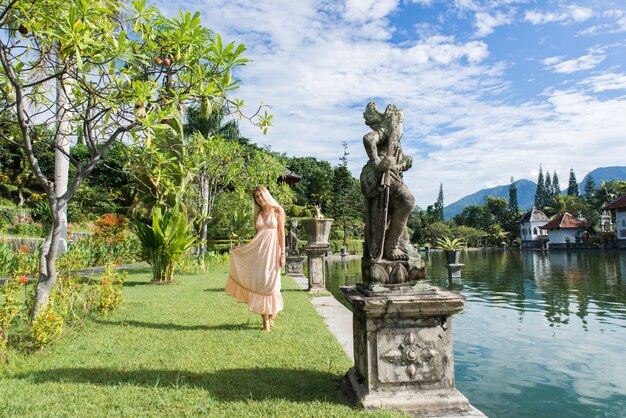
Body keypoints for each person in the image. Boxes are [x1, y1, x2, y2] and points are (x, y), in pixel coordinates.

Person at [225, 186, 286, 332]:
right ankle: (265, 322)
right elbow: (257, 238)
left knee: (272, 286)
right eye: (257, 197)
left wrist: (283, 254)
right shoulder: (257, 216)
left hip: (273, 253)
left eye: (261, 195)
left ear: (266, 194)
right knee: (261, 285)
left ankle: (272, 314)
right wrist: (242, 249)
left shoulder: (278, 211)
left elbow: (282, 234)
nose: (260, 198)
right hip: (260, 255)